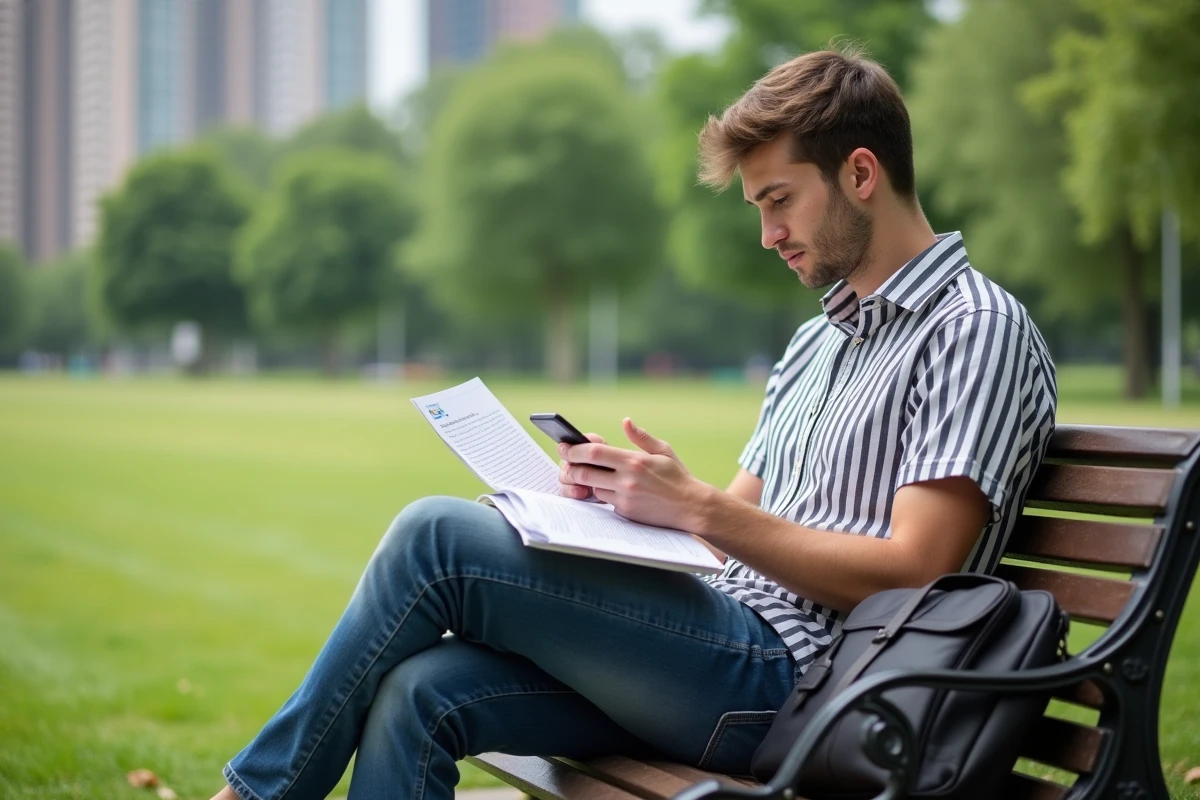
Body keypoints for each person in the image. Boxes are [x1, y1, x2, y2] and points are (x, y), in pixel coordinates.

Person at [211, 47, 1056, 800]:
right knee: (420, 694)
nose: (767, 235)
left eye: (779, 200)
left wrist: (699, 507)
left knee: (433, 535)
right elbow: (728, 543)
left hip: (814, 688)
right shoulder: (817, 342)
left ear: (861, 174)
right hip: (716, 650)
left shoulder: (972, 328)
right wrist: (636, 509)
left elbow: (916, 570)